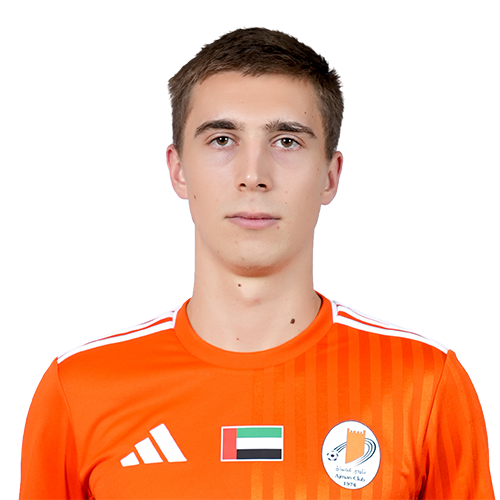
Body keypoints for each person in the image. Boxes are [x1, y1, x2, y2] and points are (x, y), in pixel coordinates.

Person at [19, 27, 494, 499]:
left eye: (286, 141)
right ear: (177, 169)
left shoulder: (424, 382)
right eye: (222, 139)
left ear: (330, 176)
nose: (253, 175)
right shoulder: (80, 386)